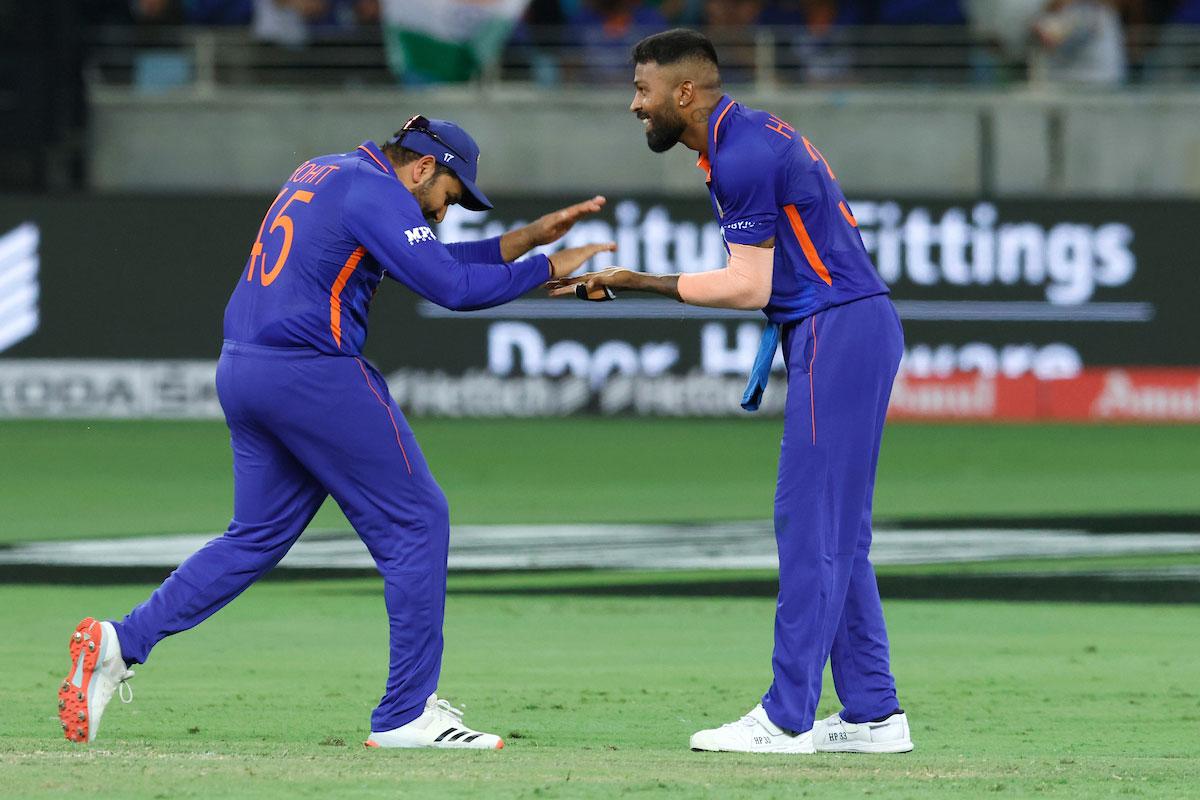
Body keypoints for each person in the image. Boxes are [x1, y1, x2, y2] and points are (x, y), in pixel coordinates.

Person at [57, 116, 614, 749]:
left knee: (254, 536)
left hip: (244, 368)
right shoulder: (374, 192)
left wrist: (523, 243)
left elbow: (427, 260)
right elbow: (450, 287)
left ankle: (121, 642)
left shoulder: (328, 172)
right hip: (309, 370)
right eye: (451, 196)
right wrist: (544, 270)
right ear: (425, 166)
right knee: (418, 520)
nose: (447, 210)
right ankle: (407, 713)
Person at [550, 29, 913, 755]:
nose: (634, 105)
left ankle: (785, 720)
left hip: (837, 331)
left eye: (643, 90)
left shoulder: (740, 152)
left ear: (684, 92)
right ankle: (873, 713)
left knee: (809, 525)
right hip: (848, 327)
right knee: (838, 531)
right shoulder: (741, 137)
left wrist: (632, 281)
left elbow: (751, 286)